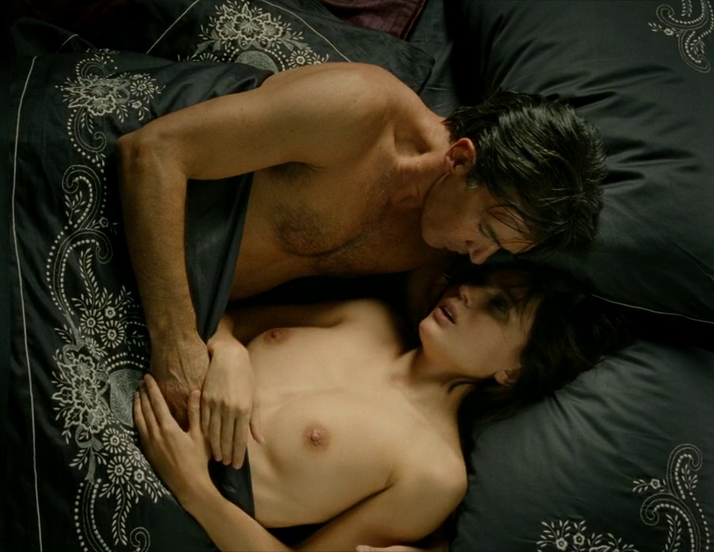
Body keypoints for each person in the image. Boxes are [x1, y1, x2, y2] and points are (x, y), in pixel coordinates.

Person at [116, 62, 607, 423]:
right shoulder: (355, 110)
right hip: (122, 211)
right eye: (487, 232)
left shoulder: (438, 247)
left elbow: (436, 366)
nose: (479, 256)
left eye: (499, 250)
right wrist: (177, 341)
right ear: (460, 160)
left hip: (181, 308)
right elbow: (153, 153)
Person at [132, 264, 628, 550]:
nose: (468, 291)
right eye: (481, 281)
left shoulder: (434, 471)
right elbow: (229, 317)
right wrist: (229, 349)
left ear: (513, 371)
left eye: (498, 306)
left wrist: (195, 489)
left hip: (181, 505)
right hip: (146, 378)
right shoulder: (369, 316)